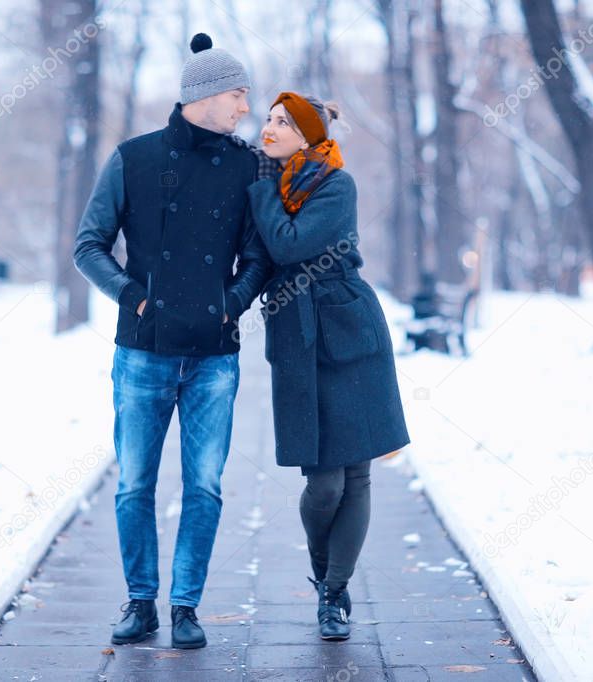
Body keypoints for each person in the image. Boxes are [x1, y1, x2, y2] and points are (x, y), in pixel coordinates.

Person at [73, 33, 272, 649]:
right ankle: (141, 602)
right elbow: (88, 246)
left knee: (205, 486)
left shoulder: (247, 167)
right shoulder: (133, 158)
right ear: (207, 95)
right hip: (141, 351)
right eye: (238, 94)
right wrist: (137, 299)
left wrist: (228, 306)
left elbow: (259, 257)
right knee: (135, 482)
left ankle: (185, 605)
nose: (245, 107)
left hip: (214, 358)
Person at [247, 92, 410, 641]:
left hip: (348, 330)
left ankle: (334, 595)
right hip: (295, 334)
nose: (268, 127)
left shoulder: (335, 184)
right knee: (322, 484)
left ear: (308, 135)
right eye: (267, 118)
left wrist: (264, 187)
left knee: (355, 474)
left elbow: (290, 244)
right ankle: (325, 580)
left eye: (282, 122)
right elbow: (257, 254)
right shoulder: (266, 183)